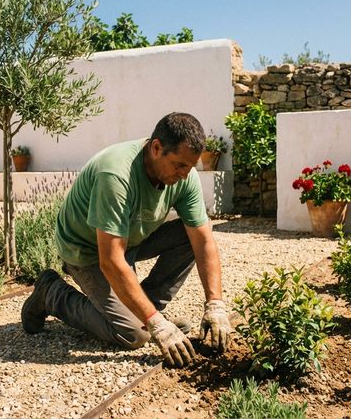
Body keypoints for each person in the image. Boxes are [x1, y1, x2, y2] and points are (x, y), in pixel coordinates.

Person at [21, 112, 232, 367]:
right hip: (86, 248)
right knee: (131, 334)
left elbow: (203, 241)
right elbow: (110, 260)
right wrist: (156, 324)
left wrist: (216, 304)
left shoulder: (184, 176)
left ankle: (147, 311)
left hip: (132, 237)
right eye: (179, 165)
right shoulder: (116, 175)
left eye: (191, 166)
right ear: (156, 148)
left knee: (189, 236)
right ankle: (51, 293)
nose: (186, 175)